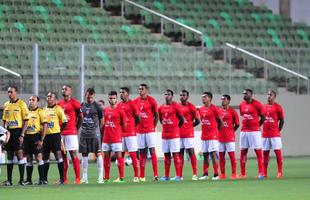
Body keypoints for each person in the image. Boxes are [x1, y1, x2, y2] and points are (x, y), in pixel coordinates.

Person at [2, 86, 29, 186]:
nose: (9, 94)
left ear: (16, 92)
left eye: (11, 92)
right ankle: (9, 180)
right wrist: (3, 132)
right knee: (9, 154)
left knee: (20, 154)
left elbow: (26, 121)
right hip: (8, 132)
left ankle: (22, 180)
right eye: (8, 92)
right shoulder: (6, 105)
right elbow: (4, 120)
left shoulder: (22, 104)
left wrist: (22, 134)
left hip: (18, 131)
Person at [238, 89, 265, 179]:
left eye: (246, 93)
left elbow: (263, 117)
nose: (244, 94)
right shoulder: (241, 105)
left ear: (251, 95)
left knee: (258, 152)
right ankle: (243, 173)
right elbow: (243, 115)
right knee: (243, 152)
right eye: (243, 93)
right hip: (244, 131)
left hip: (254, 132)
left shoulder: (257, 104)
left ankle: (261, 173)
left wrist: (257, 126)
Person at [134, 84, 159, 181]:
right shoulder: (136, 101)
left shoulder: (151, 100)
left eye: (142, 89)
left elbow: (156, 115)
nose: (140, 90)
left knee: (152, 151)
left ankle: (155, 175)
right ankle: (142, 176)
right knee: (142, 152)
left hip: (149, 130)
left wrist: (153, 126)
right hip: (140, 131)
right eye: (139, 89)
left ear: (146, 90)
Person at [58, 84, 82, 184]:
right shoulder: (59, 104)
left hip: (71, 132)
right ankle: (64, 179)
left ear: (70, 91)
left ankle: (77, 178)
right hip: (61, 132)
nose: (64, 90)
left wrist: (76, 127)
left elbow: (81, 116)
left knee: (73, 154)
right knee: (63, 155)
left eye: (66, 89)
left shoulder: (75, 103)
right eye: (62, 89)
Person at [80, 88, 105, 184]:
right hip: (84, 133)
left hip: (94, 133)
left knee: (98, 153)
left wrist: (97, 129)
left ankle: (100, 177)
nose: (89, 99)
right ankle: (85, 177)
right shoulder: (82, 105)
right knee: (84, 154)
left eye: (91, 97)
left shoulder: (98, 106)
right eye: (87, 97)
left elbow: (102, 120)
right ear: (85, 95)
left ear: (93, 96)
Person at [158, 89, 184, 181]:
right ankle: (166, 176)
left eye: (168, 94)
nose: (166, 96)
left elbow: (182, 119)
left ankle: (178, 176)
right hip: (165, 135)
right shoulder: (160, 108)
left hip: (174, 135)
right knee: (166, 155)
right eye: (165, 94)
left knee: (176, 155)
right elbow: (161, 120)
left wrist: (176, 128)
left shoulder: (176, 106)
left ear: (172, 96)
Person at [43, 92, 67, 185]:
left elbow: (65, 122)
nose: (48, 98)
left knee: (58, 155)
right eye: (47, 96)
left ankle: (62, 179)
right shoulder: (44, 109)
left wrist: (59, 131)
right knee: (45, 156)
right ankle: (44, 179)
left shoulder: (58, 109)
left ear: (55, 99)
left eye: (50, 96)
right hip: (45, 136)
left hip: (55, 135)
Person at [102, 91, 126, 183]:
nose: (112, 100)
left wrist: (118, 133)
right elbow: (103, 123)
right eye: (110, 98)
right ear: (108, 98)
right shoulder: (106, 110)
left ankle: (121, 178)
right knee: (106, 158)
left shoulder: (120, 110)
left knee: (119, 157)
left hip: (116, 138)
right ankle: (107, 178)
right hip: (106, 138)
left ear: (116, 99)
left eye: (114, 98)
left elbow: (124, 125)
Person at [118, 87, 140, 182]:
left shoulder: (132, 104)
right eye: (120, 92)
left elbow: (138, 119)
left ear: (128, 93)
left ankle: (136, 176)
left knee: (133, 154)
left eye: (123, 92)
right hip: (121, 134)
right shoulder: (118, 105)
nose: (121, 94)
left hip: (131, 134)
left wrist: (131, 127)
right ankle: (121, 177)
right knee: (120, 155)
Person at [24, 95, 47, 185]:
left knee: (38, 158)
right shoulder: (26, 112)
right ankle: (29, 180)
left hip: (36, 136)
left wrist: (42, 139)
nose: (31, 101)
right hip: (27, 137)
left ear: (37, 102)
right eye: (29, 100)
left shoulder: (40, 112)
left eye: (33, 100)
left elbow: (45, 126)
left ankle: (42, 179)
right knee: (28, 158)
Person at [198, 92, 222, 180]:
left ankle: (216, 174)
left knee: (213, 154)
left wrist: (215, 132)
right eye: (202, 97)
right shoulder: (201, 109)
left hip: (213, 135)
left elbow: (220, 122)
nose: (203, 98)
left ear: (210, 98)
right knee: (205, 155)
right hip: (204, 135)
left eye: (205, 97)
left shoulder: (214, 109)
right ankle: (205, 174)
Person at [178, 90, 200, 180]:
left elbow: (197, 120)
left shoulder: (192, 107)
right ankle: (179, 175)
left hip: (188, 134)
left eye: (183, 95)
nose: (182, 96)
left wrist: (190, 126)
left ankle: (194, 174)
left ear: (188, 96)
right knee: (180, 154)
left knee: (191, 152)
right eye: (180, 95)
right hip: (178, 134)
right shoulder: (177, 106)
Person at [262, 90, 284, 178]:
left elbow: (282, 120)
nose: (268, 96)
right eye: (267, 94)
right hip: (265, 134)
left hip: (275, 134)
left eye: (270, 95)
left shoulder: (278, 107)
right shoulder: (263, 107)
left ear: (274, 97)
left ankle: (279, 172)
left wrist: (278, 130)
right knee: (265, 153)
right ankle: (264, 173)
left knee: (277, 152)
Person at [218, 94, 239, 180]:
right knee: (221, 157)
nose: (222, 101)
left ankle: (233, 174)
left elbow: (237, 124)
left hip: (229, 138)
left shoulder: (233, 112)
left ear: (228, 101)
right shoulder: (219, 111)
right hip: (220, 138)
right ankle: (222, 174)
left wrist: (231, 131)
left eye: (224, 99)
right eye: (222, 99)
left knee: (232, 157)